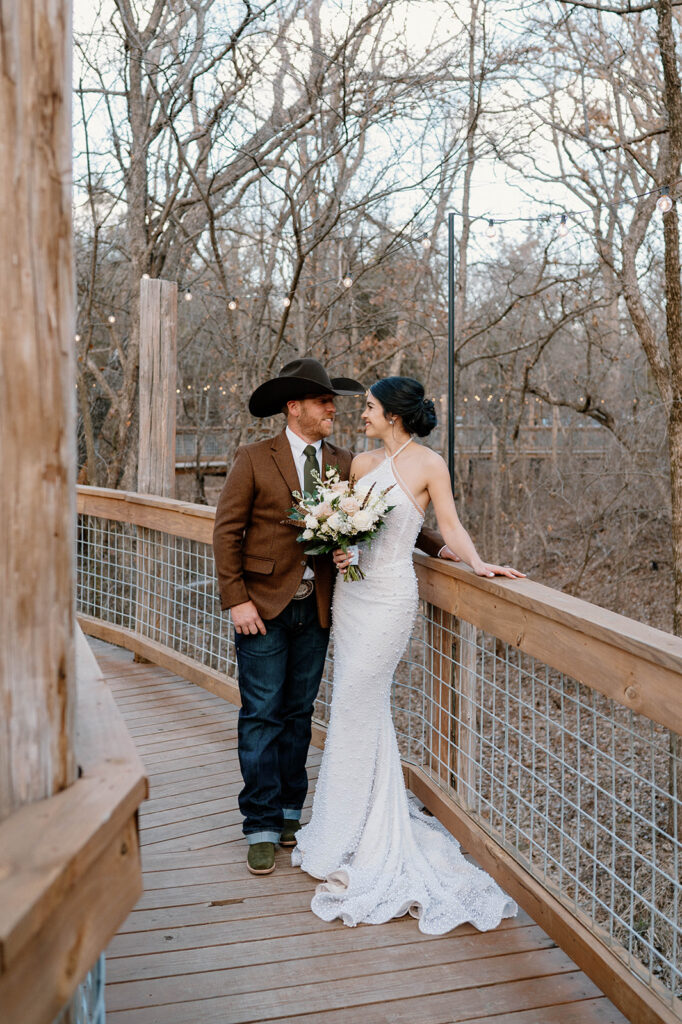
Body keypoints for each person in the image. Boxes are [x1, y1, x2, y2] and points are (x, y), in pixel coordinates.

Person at [292, 376, 525, 934]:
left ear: (393, 414)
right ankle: (347, 829)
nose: (361, 416)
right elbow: (341, 528)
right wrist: (341, 548)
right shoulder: (357, 465)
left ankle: (363, 838)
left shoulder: (428, 465)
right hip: (352, 597)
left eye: (369, 408)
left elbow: (448, 526)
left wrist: (478, 565)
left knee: (355, 702)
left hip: (392, 599)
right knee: (356, 709)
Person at [212, 360, 448, 875]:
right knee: (261, 715)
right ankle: (261, 823)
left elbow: (389, 509)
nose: (333, 410)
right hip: (263, 609)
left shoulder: (347, 462)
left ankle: (293, 812)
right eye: (324, 402)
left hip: (322, 608)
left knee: (299, 715)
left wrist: (440, 547)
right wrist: (237, 599)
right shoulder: (253, 458)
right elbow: (226, 532)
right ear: (294, 407)